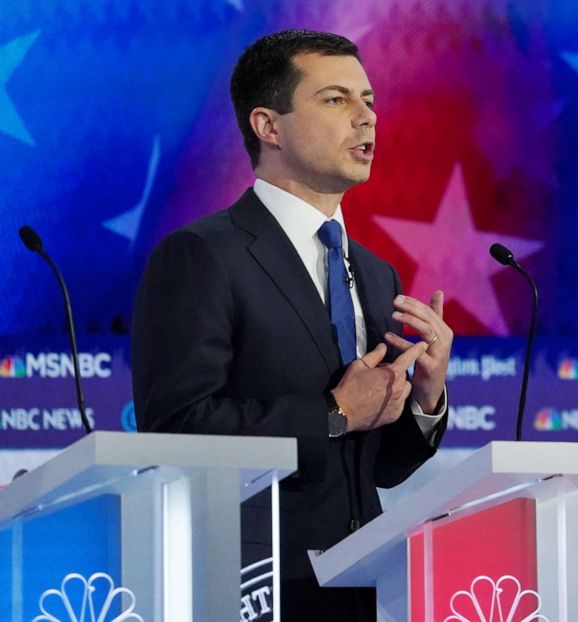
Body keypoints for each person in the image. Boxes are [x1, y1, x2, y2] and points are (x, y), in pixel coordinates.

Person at [131, 30, 452, 620]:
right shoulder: (202, 255)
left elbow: (378, 465)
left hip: (361, 580)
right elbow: (174, 430)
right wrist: (335, 412)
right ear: (268, 126)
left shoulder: (376, 274)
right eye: (335, 99)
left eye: (369, 100)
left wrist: (425, 400)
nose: (366, 119)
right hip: (250, 584)